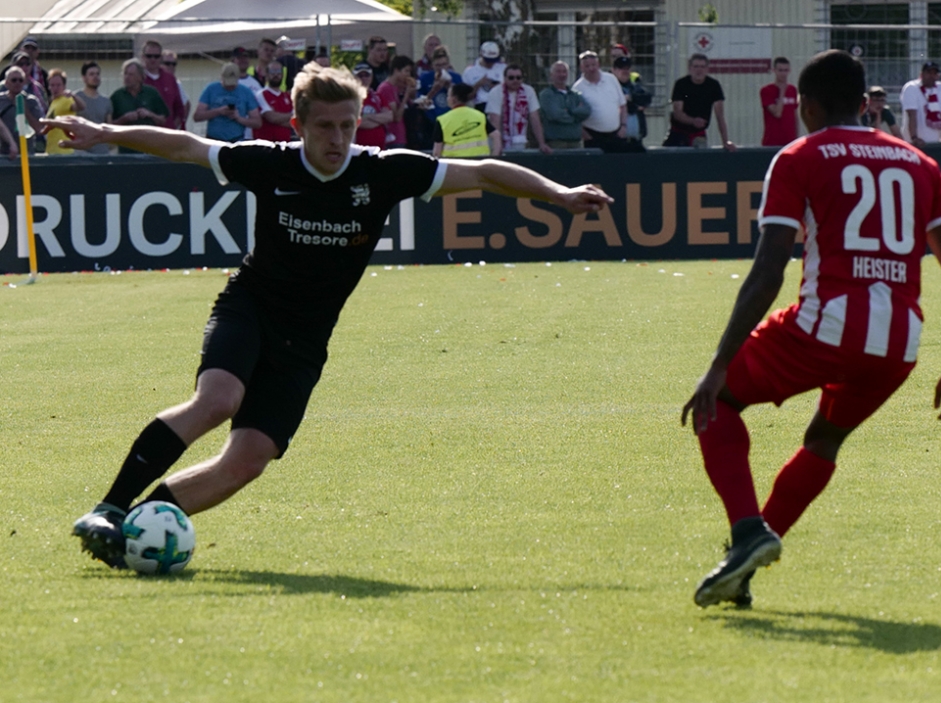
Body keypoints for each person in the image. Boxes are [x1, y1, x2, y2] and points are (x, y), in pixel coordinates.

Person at [50, 62, 613, 570]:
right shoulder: (268, 163)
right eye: (324, 127)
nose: (338, 139)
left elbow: (485, 172)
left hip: (305, 341)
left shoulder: (384, 171)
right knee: (219, 400)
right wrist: (104, 133)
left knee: (248, 461)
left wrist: (560, 194)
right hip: (251, 308)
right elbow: (184, 146)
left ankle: (133, 528)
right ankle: (109, 507)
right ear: (297, 125)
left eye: (348, 125)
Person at [681, 49, 941, 609]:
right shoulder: (920, 163)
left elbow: (770, 269)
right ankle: (742, 564)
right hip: (899, 343)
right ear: (865, 103)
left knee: (716, 404)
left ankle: (747, 531)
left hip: (826, 325)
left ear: (806, 106)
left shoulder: (800, 156)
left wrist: (719, 363)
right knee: (824, 439)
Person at [664, 53, 735, 151]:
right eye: (696, 66)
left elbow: (720, 116)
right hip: (678, 133)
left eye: (702, 67)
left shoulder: (713, 85)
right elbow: (677, 113)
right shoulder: (681, 84)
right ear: (690, 68)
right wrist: (693, 121)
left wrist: (725, 141)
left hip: (699, 135)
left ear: (707, 69)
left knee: (700, 156)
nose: (699, 70)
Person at [487, 64, 551, 154]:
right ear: (504, 78)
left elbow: (535, 118)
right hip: (499, 141)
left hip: (519, 141)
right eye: (511, 78)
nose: (515, 80)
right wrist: (497, 145)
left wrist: (541, 143)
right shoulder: (496, 92)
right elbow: (495, 120)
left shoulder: (528, 91)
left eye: (518, 77)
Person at [572, 51, 628, 153]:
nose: (591, 68)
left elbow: (623, 105)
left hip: (616, 135)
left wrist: (623, 126)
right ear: (581, 68)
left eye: (593, 65)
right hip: (593, 136)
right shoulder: (577, 88)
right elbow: (574, 116)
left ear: (598, 64)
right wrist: (584, 134)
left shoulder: (611, 79)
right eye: (587, 66)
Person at [110, 59, 169, 154]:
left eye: (131, 75)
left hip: (149, 147)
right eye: (125, 74)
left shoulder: (151, 93)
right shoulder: (117, 96)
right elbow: (109, 125)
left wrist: (150, 115)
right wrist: (124, 119)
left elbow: (163, 120)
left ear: (140, 77)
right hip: (126, 149)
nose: (127, 77)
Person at [193, 63, 262, 143]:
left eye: (233, 84)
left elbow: (257, 123)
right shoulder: (210, 89)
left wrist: (238, 118)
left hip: (236, 140)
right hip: (213, 140)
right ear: (222, 77)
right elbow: (197, 117)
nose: (230, 87)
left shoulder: (246, 92)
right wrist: (218, 111)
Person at [432, 82, 500, 157]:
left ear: (454, 99)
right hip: (480, 161)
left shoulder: (442, 120)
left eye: (448, 95)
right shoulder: (480, 116)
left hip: (454, 162)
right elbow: (496, 135)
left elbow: (437, 151)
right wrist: (494, 157)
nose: (447, 98)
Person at [900, 61, 941, 147]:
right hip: (913, 143)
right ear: (921, 74)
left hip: (934, 141)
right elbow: (912, 115)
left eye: (934, 73)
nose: (931, 76)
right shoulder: (911, 88)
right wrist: (914, 138)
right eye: (929, 73)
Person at [539, 60, 591, 150]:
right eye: (558, 71)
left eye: (564, 72)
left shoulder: (575, 94)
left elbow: (586, 111)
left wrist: (569, 111)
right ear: (551, 75)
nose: (562, 74)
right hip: (556, 143)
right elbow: (555, 115)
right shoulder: (547, 95)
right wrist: (576, 117)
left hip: (576, 142)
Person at [141, 41, 185, 130]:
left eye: (156, 56)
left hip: (167, 132)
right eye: (149, 56)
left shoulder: (170, 79)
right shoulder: (138, 78)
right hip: (144, 132)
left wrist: (172, 126)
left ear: (161, 58)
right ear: (143, 57)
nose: (153, 59)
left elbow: (179, 108)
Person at [0, 67, 43, 156]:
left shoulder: (31, 101)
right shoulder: (1, 100)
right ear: (6, 83)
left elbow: (39, 129)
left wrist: (24, 109)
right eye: (14, 80)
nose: (18, 83)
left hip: (27, 153)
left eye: (21, 80)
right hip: (4, 154)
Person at [376, 55, 417, 148]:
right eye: (406, 71)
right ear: (396, 70)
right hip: (393, 138)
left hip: (401, 136)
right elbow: (396, 117)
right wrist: (406, 95)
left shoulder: (396, 87)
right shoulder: (386, 88)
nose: (408, 75)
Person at [612, 55, 650, 152]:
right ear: (614, 70)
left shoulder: (635, 86)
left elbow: (646, 98)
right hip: (617, 141)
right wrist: (632, 105)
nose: (625, 71)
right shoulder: (610, 87)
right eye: (621, 68)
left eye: (627, 68)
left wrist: (630, 98)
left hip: (636, 141)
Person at [74, 62, 113, 153]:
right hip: (81, 151)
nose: (95, 77)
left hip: (101, 152)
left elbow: (110, 128)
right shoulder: (76, 98)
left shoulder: (106, 101)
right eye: (91, 74)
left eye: (97, 74)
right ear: (84, 78)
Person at [417, 45, 463, 122]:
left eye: (444, 64)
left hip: (452, 119)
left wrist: (450, 87)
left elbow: (463, 100)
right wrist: (434, 90)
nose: (441, 68)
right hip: (431, 120)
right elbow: (420, 102)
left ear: (448, 64)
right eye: (438, 65)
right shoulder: (425, 78)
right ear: (432, 65)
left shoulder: (456, 78)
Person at [44, 68, 85, 155]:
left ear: (64, 86)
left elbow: (81, 107)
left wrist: (73, 96)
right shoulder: (53, 102)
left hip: (64, 150)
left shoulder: (66, 100)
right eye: (52, 85)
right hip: (51, 149)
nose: (55, 88)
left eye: (58, 85)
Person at [760, 56, 798, 147]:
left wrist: (796, 137)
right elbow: (777, 113)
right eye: (780, 70)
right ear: (774, 71)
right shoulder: (767, 90)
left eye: (786, 70)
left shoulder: (792, 90)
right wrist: (782, 92)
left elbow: (795, 115)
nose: (783, 74)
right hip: (773, 141)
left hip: (790, 140)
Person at [253, 60, 294, 142]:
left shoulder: (288, 96)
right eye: (272, 72)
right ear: (267, 74)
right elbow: (271, 118)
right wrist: (290, 115)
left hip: (285, 143)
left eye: (279, 72)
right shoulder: (261, 94)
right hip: (266, 144)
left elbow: (295, 122)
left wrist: (277, 117)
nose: (276, 75)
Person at [352, 61, 391, 148]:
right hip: (358, 147)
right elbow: (355, 122)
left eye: (367, 75)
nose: (364, 79)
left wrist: (367, 116)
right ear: (354, 78)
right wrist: (379, 120)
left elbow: (389, 117)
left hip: (379, 147)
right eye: (360, 76)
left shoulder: (378, 97)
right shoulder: (351, 98)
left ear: (371, 77)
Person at [462, 41, 506, 112]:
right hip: (481, 105)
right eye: (488, 60)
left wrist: (498, 87)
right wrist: (478, 84)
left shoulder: (503, 68)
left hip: (500, 105)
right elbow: (465, 97)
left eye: (493, 60)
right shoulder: (470, 72)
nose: (491, 63)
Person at [160, 51, 191, 129]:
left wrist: (174, 125)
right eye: (167, 63)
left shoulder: (176, 83)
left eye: (174, 64)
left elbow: (186, 105)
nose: (171, 66)